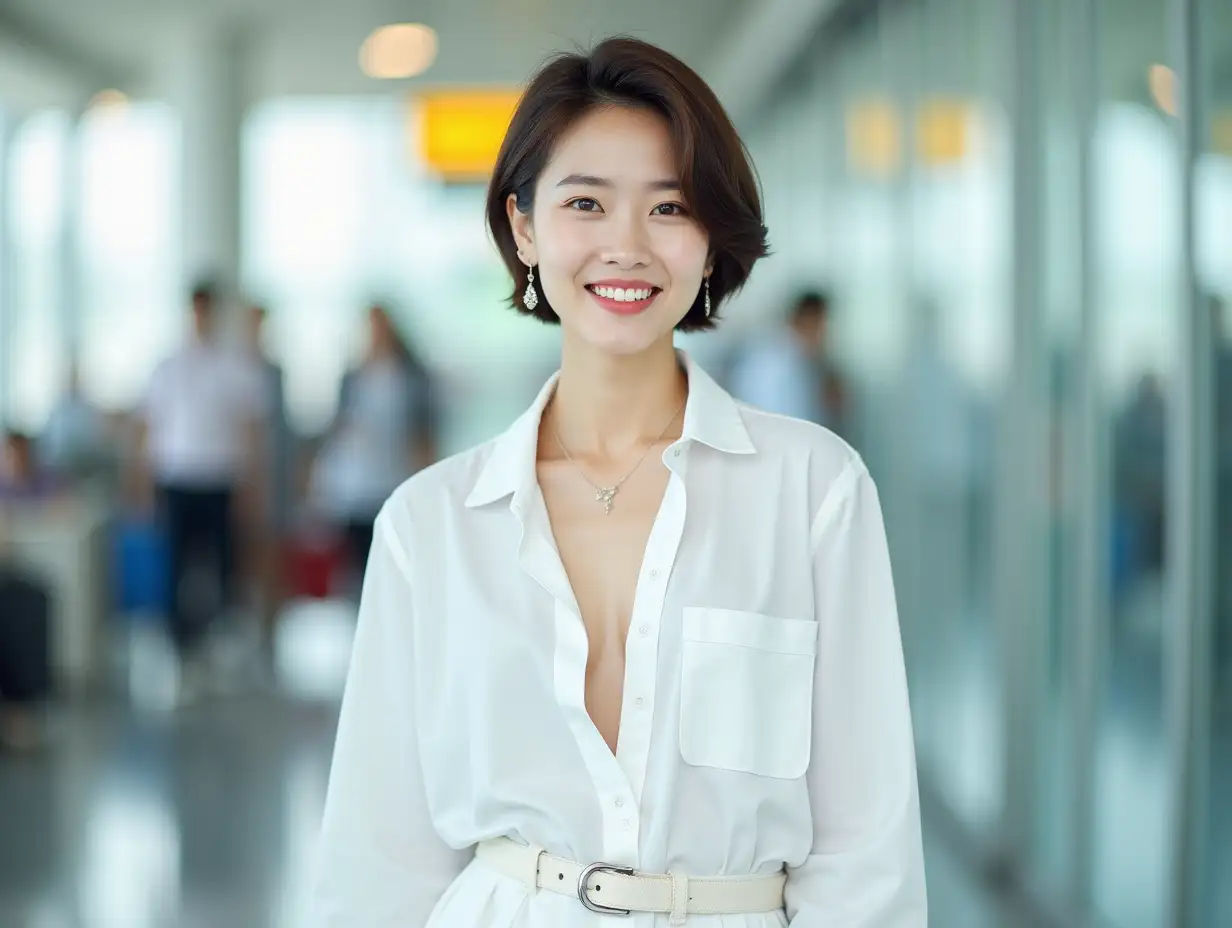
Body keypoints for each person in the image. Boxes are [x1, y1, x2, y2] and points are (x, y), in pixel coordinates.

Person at [309, 37, 926, 927]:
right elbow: (377, 861)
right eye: (585, 203)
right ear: (524, 229)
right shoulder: (431, 524)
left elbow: (868, 852)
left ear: (711, 238)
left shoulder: (814, 491)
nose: (626, 247)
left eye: (669, 207)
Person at [134, 281, 268, 700]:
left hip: (219, 478)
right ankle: (182, 654)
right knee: (177, 566)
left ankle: (218, 647)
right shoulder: (168, 366)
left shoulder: (234, 365)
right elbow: (151, 427)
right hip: (177, 478)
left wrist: (252, 484)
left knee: (223, 563)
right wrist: (140, 483)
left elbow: (250, 430)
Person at [310, 303, 440, 583]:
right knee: (357, 556)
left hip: (395, 474)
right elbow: (337, 427)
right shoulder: (353, 376)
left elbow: (424, 432)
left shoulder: (411, 376)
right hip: (357, 479)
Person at [727, 290, 850, 437]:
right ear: (808, 320)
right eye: (821, 326)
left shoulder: (802, 360)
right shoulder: (773, 362)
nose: (824, 335)